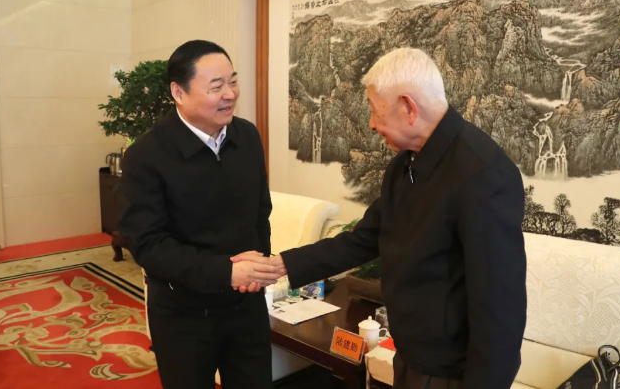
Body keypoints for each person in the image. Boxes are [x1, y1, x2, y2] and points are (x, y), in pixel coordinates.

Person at [232, 48, 527, 389]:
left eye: (374, 110)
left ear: (408, 107)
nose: (372, 124)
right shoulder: (405, 165)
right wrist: (279, 265)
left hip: (451, 373)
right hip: (409, 356)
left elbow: (499, 307)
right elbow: (363, 240)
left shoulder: (483, 173)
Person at [119, 40, 282, 389]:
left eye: (233, 81)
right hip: (183, 315)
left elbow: (260, 212)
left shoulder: (247, 136)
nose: (230, 94)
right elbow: (147, 243)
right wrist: (226, 272)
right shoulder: (147, 155)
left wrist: (258, 267)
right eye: (215, 86)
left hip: (246, 305)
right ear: (178, 92)